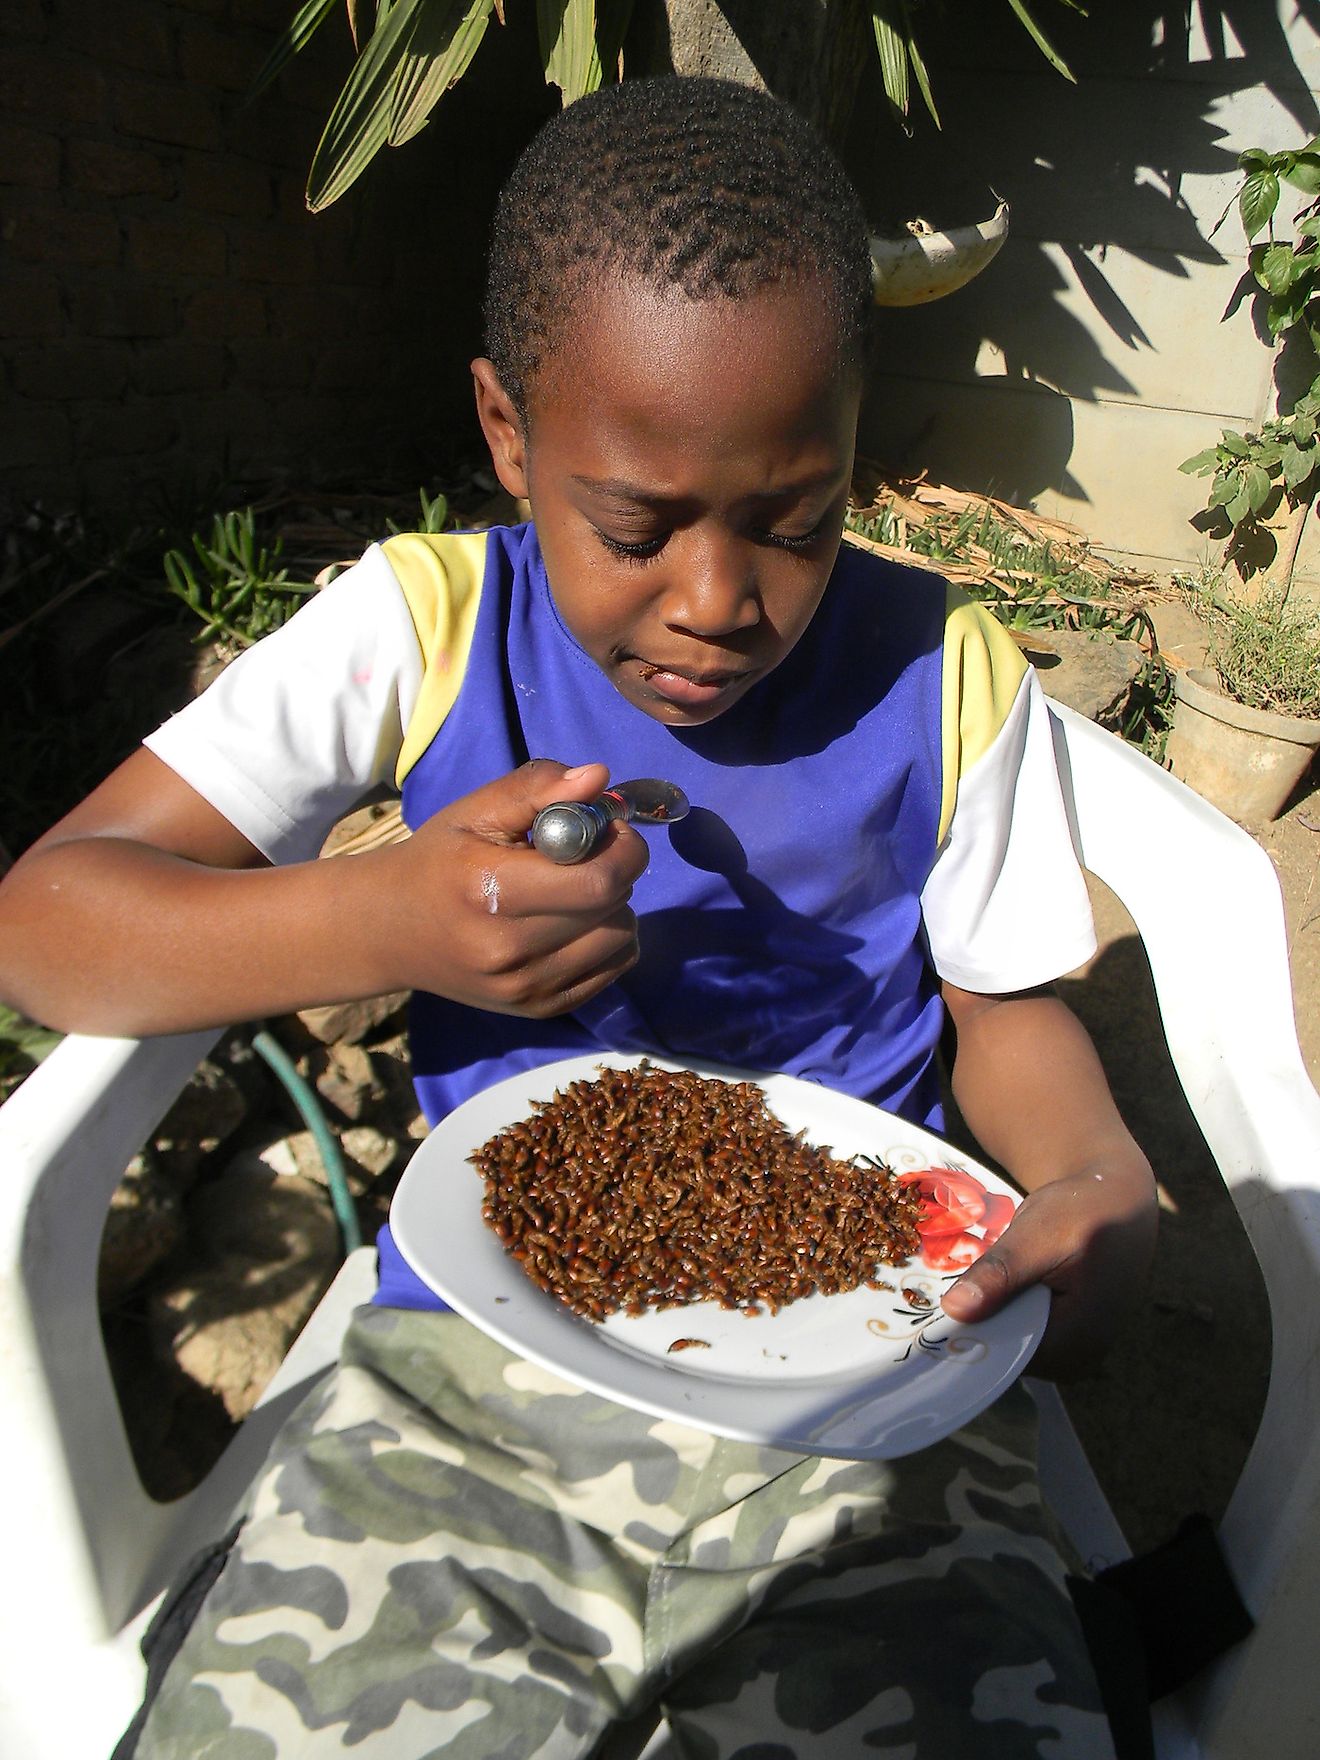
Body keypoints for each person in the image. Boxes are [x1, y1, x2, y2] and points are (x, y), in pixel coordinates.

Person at [0, 76, 1156, 1758]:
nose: (718, 603)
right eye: (636, 526)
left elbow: (1005, 1011)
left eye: (798, 523)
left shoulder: (940, 670)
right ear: (508, 432)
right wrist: (377, 921)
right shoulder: (426, 624)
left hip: (866, 1356)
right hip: (485, 1351)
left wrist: (1094, 1178)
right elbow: (46, 919)